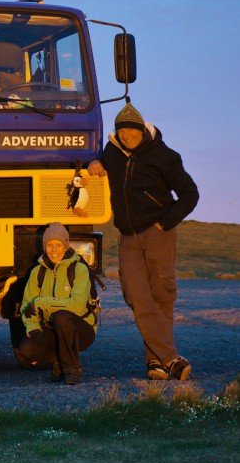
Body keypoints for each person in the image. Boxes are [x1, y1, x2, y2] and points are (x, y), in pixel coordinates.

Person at [88, 103, 199, 381]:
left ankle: (156, 362)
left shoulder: (163, 156)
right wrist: (96, 163)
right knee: (136, 296)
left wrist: (165, 223)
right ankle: (171, 357)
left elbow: (190, 194)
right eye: (121, 131)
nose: (126, 136)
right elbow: (100, 163)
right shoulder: (113, 152)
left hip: (157, 233)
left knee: (161, 295)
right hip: (128, 236)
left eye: (130, 131)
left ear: (141, 131)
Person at [17, 222, 97, 385]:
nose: (53, 250)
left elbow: (77, 306)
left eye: (58, 245)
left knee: (62, 317)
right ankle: (59, 362)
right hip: (52, 328)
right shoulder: (37, 271)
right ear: (44, 246)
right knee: (27, 349)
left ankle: (72, 370)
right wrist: (34, 329)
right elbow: (27, 307)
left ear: (66, 246)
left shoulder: (79, 269)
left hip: (81, 330)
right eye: (49, 245)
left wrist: (42, 302)